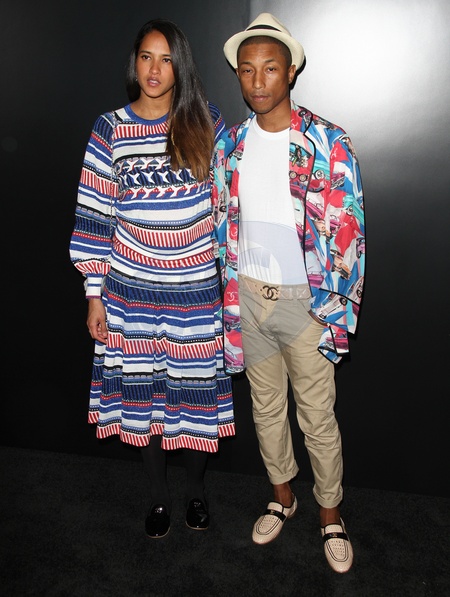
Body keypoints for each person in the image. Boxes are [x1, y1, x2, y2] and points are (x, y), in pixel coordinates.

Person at [70, 18, 235, 539]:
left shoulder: (207, 121)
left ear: (179, 67)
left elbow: (231, 204)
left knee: (194, 399)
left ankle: (196, 492)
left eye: (166, 59)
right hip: (130, 294)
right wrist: (94, 295)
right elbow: (95, 215)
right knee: (144, 399)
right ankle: (159, 498)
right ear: (134, 63)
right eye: (146, 57)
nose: (155, 69)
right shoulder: (109, 129)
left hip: (195, 294)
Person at [213, 13, 365, 573]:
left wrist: (334, 308)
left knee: (317, 417)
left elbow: (349, 230)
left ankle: (331, 515)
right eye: (247, 70)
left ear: (291, 71)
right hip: (248, 298)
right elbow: (221, 222)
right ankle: (282, 498)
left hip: (307, 302)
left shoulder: (327, 142)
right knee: (266, 408)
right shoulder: (230, 144)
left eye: (270, 68)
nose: (258, 81)